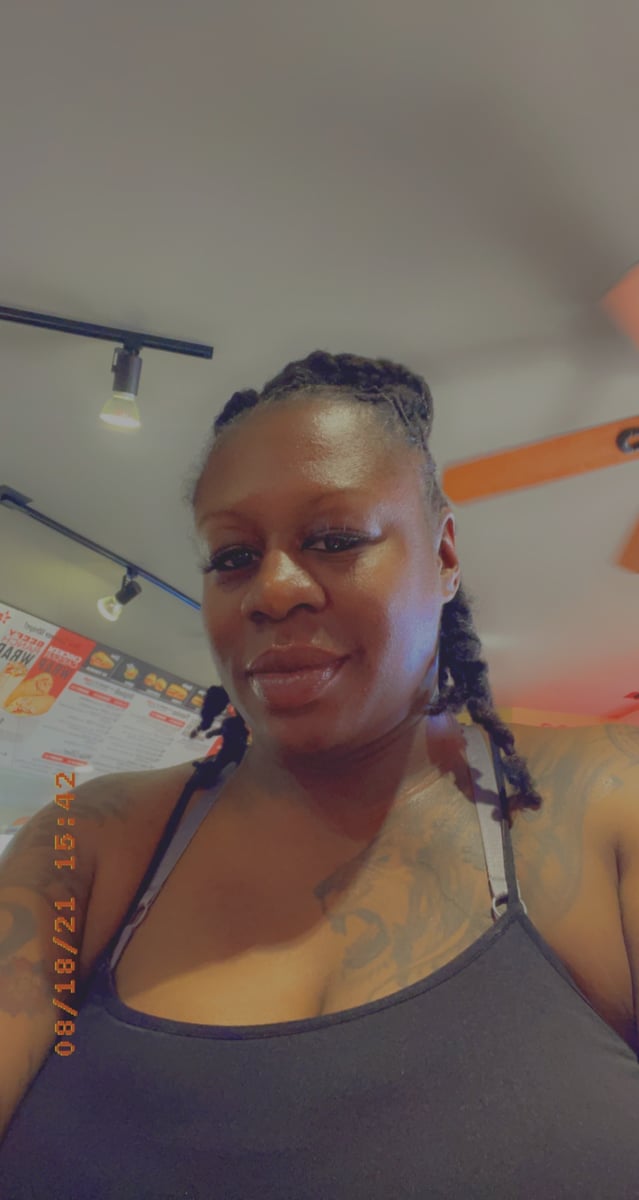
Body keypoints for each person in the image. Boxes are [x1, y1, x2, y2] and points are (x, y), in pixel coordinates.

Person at [1, 350, 638, 1198]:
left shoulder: (606, 802)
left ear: (444, 555)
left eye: (335, 540)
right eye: (232, 556)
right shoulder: (91, 842)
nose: (272, 590)